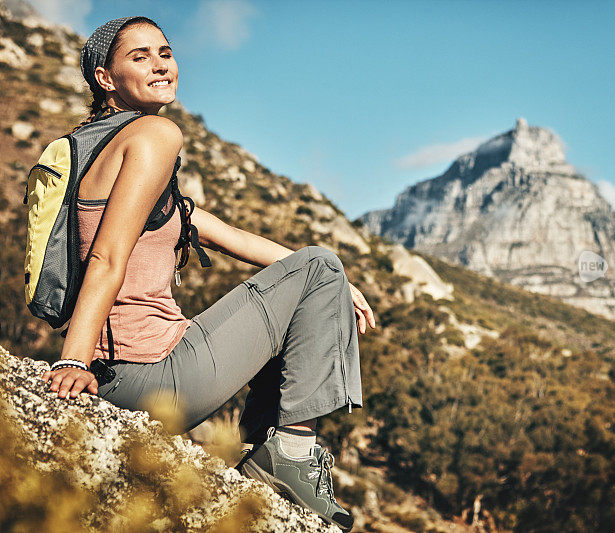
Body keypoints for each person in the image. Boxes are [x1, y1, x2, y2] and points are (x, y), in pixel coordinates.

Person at [38, 16, 374, 532]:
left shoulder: (103, 144)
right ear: (105, 78)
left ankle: (267, 448)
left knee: (319, 270)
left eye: (164, 52)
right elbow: (107, 257)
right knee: (321, 262)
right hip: (150, 374)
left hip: (129, 376)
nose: (159, 64)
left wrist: (335, 288)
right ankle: (291, 450)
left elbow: (229, 236)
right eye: (139, 56)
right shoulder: (154, 135)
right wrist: (72, 361)